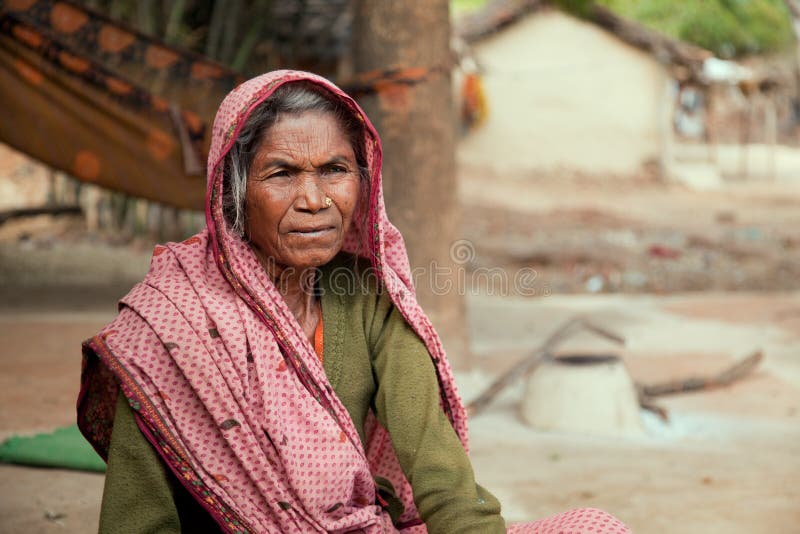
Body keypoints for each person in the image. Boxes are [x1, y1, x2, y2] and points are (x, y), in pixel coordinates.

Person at [78, 70, 631, 533]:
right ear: (235, 190)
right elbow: (138, 521)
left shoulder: (366, 293)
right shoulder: (173, 323)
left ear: (362, 183)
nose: (315, 200)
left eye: (335, 170)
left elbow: (438, 469)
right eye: (282, 174)